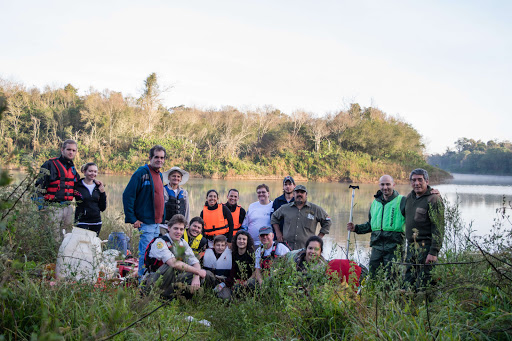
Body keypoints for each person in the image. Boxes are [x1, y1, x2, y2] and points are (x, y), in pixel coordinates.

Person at [142, 214, 214, 298]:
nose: (178, 232)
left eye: (181, 229)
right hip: (155, 278)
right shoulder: (160, 242)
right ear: (169, 228)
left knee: (205, 274)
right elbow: (173, 263)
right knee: (170, 266)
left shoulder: (182, 243)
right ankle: (161, 294)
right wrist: (197, 271)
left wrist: (197, 275)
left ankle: (180, 293)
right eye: (175, 228)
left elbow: (195, 261)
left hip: (173, 278)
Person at [346, 175, 405, 278]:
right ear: (379, 185)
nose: (385, 187)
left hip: (394, 248)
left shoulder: (402, 200)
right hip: (377, 247)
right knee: (373, 278)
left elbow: (417, 200)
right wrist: (356, 228)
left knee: (393, 279)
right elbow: (371, 225)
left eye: (388, 184)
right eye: (382, 184)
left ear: (393, 185)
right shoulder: (375, 203)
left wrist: (431, 192)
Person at [123, 145, 166, 278]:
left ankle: (149, 277)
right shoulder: (141, 173)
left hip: (157, 223)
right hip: (146, 222)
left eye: (162, 158)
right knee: (145, 252)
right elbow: (128, 195)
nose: (159, 160)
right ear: (150, 158)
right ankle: (142, 281)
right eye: (156, 157)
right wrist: (132, 218)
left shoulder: (160, 175)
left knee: (154, 252)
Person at [402, 168, 444, 291]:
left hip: (426, 248)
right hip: (411, 247)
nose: (417, 183)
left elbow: (439, 228)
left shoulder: (434, 199)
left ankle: (427, 307)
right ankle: (409, 308)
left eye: (420, 180)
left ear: (427, 181)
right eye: (413, 180)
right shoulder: (410, 197)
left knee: (425, 284)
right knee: (409, 282)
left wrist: (433, 252)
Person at [35, 139, 80, 239]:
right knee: (53, 237)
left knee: (67, 237)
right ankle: (52, 254)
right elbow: (39, 186)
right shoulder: (50, 164)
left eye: (74, 150)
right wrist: (41, 207)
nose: (71, 152)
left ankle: (64, 255)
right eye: (69, 149)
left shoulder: (72, 167)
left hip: (67, 207)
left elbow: (77, 185)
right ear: (62, 150)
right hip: (52, 207)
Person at [271, 185, 332, 250]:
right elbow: (274, 217)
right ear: (294, 194)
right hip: (287, 248)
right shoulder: (285, 208)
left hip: (306, 249)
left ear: (306, 195)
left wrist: (318, 238)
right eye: (297, 192)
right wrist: (278, 232)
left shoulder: (315, 209)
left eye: (302, 192)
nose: (299, 194)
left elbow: (327, 221)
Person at [73, 162, 107, 236]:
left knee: (93, 245)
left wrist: (103, 193)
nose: (93, 173)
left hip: (96, 222)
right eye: (90, 171)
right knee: (81, 245)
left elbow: (103, 207)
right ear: (84, 172)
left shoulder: (98, 187)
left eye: (95, 171)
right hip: (81, 222)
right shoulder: (77, 186)